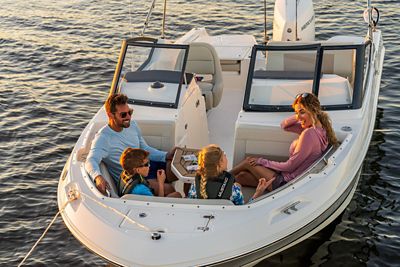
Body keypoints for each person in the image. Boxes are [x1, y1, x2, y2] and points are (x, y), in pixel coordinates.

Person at [231, 92, 338, 191]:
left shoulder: (309, 134)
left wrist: (261, 161)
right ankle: (222, 181)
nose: (298, 117)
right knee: (241, 177)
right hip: (286, 177)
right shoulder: (320, 129)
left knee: (248, 162)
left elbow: (290, 166)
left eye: (302, 112)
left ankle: (219, 176)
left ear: (313, 111)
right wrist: (300, 115)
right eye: (296, 112)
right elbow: (284, 125)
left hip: (285, 183)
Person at [85, 93, 177, 196]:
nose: (128, 117)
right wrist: (98, 177)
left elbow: (144, 148)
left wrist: (166, 155)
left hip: (146, 165)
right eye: (123, 114)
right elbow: (91, 160)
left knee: (177, 167)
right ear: (110, 115)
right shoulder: (103, 138)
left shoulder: (132, 125)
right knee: (170, 189)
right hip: (135, 176)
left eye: (130, 112)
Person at [187, 144, 272, 205]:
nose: (226, 158)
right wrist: (258, 193)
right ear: (219, 164)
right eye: (225, 156)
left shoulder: (195, 185)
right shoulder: (233, 190)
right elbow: (242, 212)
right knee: (238, 185)